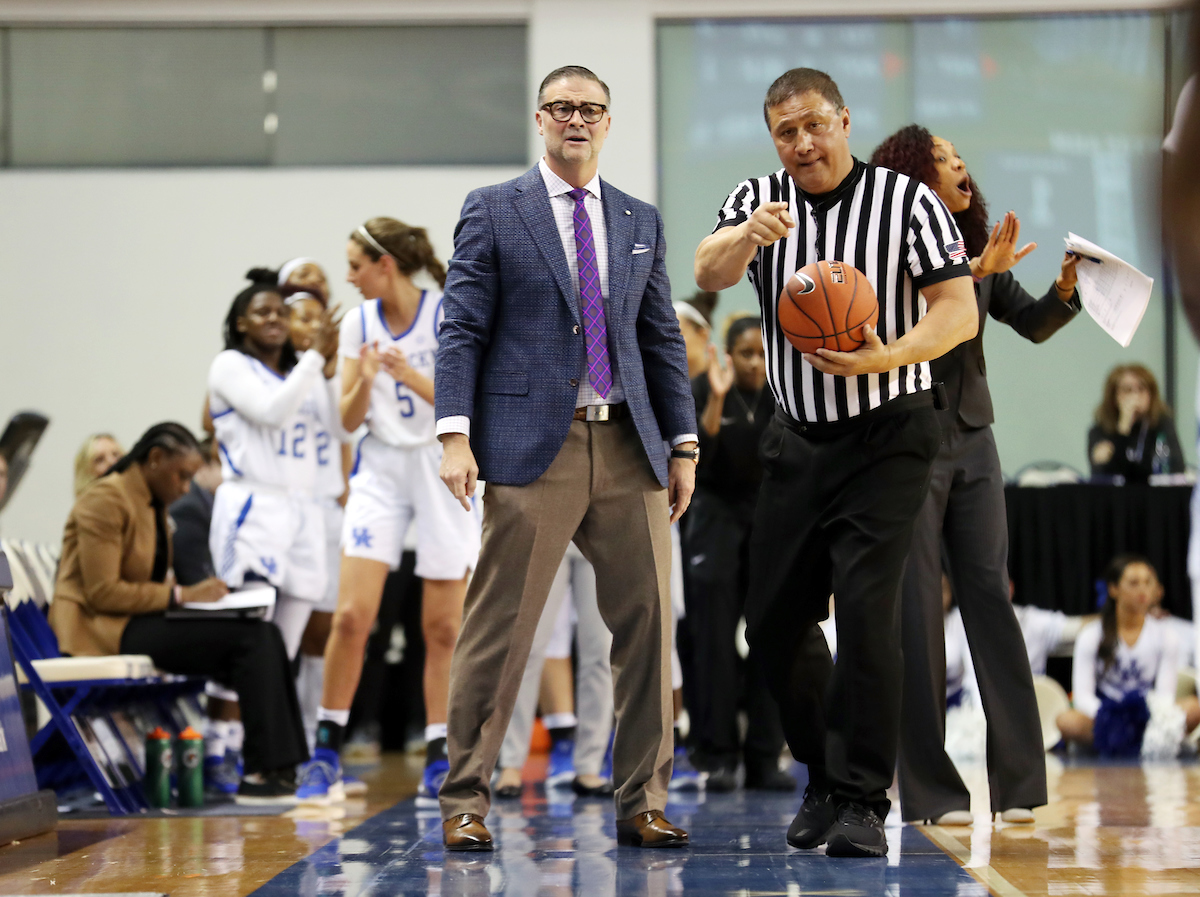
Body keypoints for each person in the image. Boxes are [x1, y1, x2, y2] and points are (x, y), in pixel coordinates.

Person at [694, 68, 977, 857]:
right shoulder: (758, 201)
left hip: (889, 432)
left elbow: (957, 310)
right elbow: (706, 270)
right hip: (798, 436)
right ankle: (820, 769)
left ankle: (860, 797)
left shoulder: (905, 202)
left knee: (863, 610)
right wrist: (746, 235)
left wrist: (893, 352)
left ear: (844, 121)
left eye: (815, 124)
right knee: (772, 619)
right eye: (786, 131)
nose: (803, 143)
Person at [435, 65, 697, 851]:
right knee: (501, 629)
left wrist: (682, 442)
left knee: (649, 627)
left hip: (631, 443)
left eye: (591, 110)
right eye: (563, 108)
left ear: (608, 123)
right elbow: (462, 327)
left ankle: (644, 798)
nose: (576, 120)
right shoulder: (493, 209)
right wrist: (455, 432)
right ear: (540, 119)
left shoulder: (638, 217)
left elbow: (661, 340)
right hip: (527, 447)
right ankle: (466, 799)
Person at [868, 125, 1082, 827]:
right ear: (913, 179)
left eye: (961, 159)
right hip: (908, 440)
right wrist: (976, 272)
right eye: (945, 160)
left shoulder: (977, 249)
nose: (962, 167)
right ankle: (932, 792)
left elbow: (1033, 323)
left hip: (973, 438)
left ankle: (1019, 784)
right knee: (919, 611)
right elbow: (927, 317)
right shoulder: (890, 248)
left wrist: (1065, 291)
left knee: (991, 598)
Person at [295, 217, 480, 807]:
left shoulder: (447, 312)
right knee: (352, 615)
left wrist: (408, 376)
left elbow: (467, 398)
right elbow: (347, 420)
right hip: (379, 468)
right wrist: (365, 379)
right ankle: (326, 749)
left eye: (355, 264)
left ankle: (437, 751)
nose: (347, 277)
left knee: (443, 626)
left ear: (386, 264)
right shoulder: (357, 324)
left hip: (440, 461)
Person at [47, 423, 309, 801]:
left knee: (263, 631)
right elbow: (103, 593)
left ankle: (280, 769)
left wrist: (198, 598)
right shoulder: (104, 500)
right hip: (103, 629)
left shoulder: (150, 502)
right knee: (249, 641)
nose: (187, 486)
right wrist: (183, 595)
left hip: (138, 620)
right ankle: (262, 770)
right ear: (155, 460)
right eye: (182, 475)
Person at [207, 269, 342, 659]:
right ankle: (224, 724)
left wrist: (330, 367)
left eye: (281, 313)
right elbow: (271, 412)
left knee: (284, 647)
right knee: (249, 639)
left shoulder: (304, 370)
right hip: (254, 507)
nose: (273, 319)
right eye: (262, 312)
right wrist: (315, 356)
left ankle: (274, 721)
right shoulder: (230, 365)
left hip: (304, 509)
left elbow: (341, 430)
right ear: (241, 322)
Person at [683, 315, 790, 792]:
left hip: (768, 519)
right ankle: (718, 755)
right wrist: (719, 398)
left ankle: (765, 756)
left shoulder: (784, 393)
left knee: (771, 637)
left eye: (763, 354)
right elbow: (696, 453)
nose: (756, 364)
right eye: (747, 354)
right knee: (712, 642)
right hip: (715, 518)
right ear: (728, 355)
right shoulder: (704, 387)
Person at [1056, 555, 1200, 753]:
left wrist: (1141, 716)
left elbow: (1165, 695)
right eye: (1133, 583)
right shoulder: (1091, 635)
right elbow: (1083, 697)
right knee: (1066, 721)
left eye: (1148, 582)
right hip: (1105, 715)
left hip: (1147, 715)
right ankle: (1138, 743)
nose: (1142, 589)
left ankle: (1132, 742)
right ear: (1113, 589)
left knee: (1193, 708)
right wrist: (1113, 717)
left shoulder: (1166, 636)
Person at [1088, 364, 1184, 482]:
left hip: (1154, 496)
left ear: (1151, 395)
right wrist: (1123, 428)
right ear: (1115, 396)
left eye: (1141, 389)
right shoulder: (1100, 431)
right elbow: (1102, 473)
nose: (1135, 396)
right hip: (1115, 498)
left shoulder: (1161, 425)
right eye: (1128, 390)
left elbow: (1176, 468)